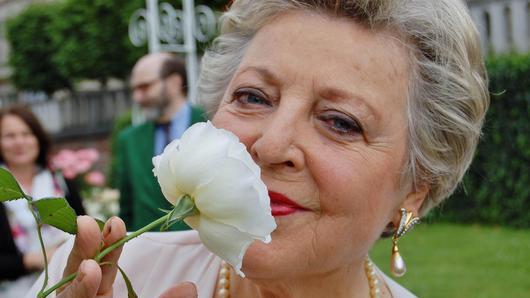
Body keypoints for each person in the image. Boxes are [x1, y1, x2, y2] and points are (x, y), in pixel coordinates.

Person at [25, 0, 489, 297]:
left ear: (414, 190)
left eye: (340, 122)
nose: (269, 146)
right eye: (253, 97)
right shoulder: (104, 278)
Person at [0, 105, 85, 297]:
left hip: (68, 282)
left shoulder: (62, 182)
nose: (19, 141)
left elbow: (84, 226)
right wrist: (30, 260)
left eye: (26, 133)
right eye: (9, 136)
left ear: (38, 137)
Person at [117, 52, 206, 231]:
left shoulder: (212, 125)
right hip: (149, 250)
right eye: (134, 90)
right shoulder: (128, 140)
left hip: (205, 250)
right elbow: (126, 209)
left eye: (145, 87)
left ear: (174, 82)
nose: (137, 98)